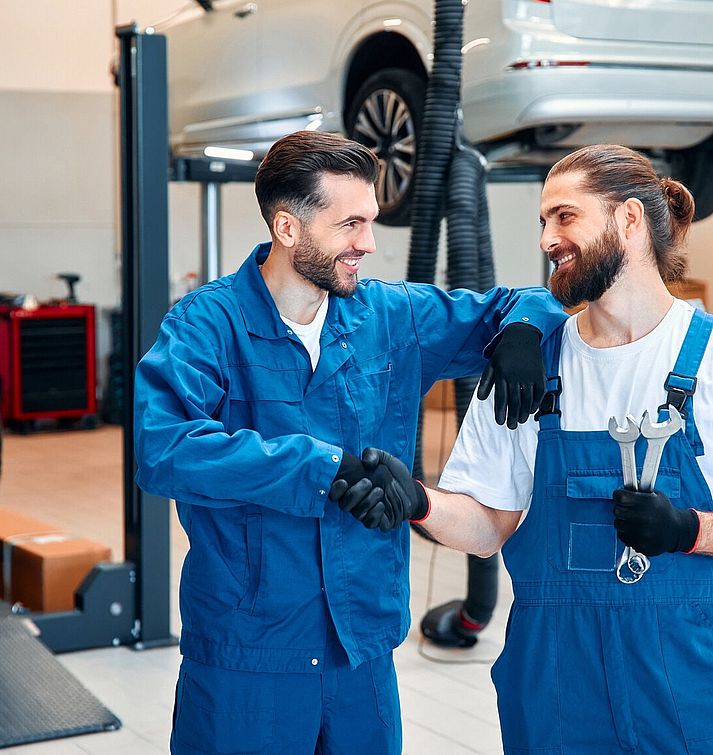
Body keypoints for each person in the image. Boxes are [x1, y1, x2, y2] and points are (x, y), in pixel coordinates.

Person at [133, 130, 565, 755]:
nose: (367, 243)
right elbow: (163, 446)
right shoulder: (207, 324)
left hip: (360, 646)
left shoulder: (390, 315)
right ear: (288, 228)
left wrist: (525, 326)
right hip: (249, 652)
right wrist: (319, 469)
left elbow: (519, 302)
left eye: (371, 222)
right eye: (350, 224)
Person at [334, 144, 713, 754]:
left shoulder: (707, 360)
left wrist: (688, 530)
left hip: (687, 677)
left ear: (630, 221)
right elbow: (489, 526)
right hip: (555, 682)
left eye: (565, 216)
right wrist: (418, 503)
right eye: (543, 221)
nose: (546, 238)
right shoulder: (530, 370)